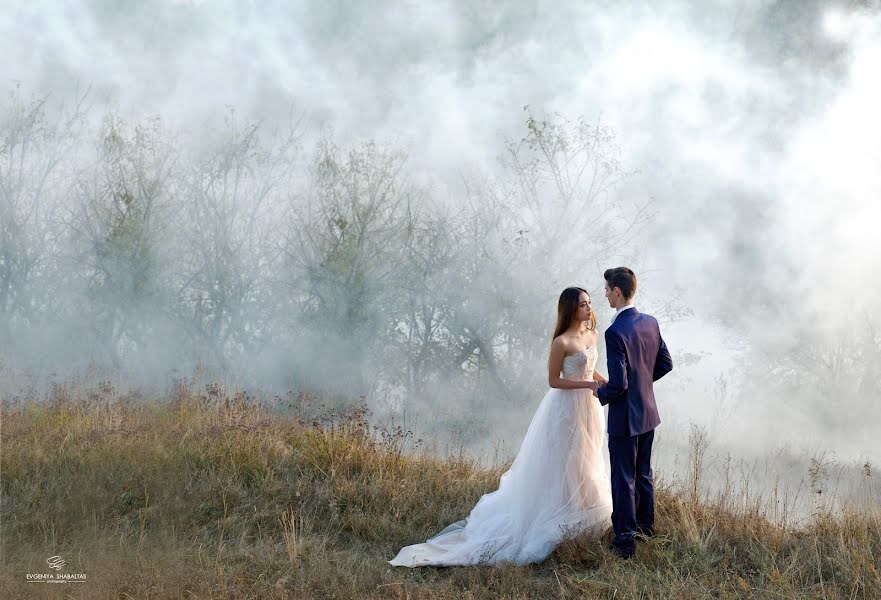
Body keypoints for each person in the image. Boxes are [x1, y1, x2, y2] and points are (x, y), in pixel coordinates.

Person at [389, 287, 612, 567]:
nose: (588, 308)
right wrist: (586, 385)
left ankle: (581, 510)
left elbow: (589, 368)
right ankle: (558, 513)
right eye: (582, 304)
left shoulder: (591, 335)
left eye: (589, 303)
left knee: (585, 457)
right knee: (565, 458)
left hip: (588, 408)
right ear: (569, 308)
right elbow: (554, 381)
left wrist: (603, 382)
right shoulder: (561, 342)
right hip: (566, 408)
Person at [596, 267, 673, 559]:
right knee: (643, 474)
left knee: (623, 478)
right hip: (649, 413)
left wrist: (599, 392)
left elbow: (618, 385)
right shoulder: (650, 322)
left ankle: (625, 542)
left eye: (606, 290)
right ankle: (646, 529)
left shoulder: (615, 332)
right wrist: (642, 382)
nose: (604, 294)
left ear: (617, 291)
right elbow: (665, 363)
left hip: (625, 418)